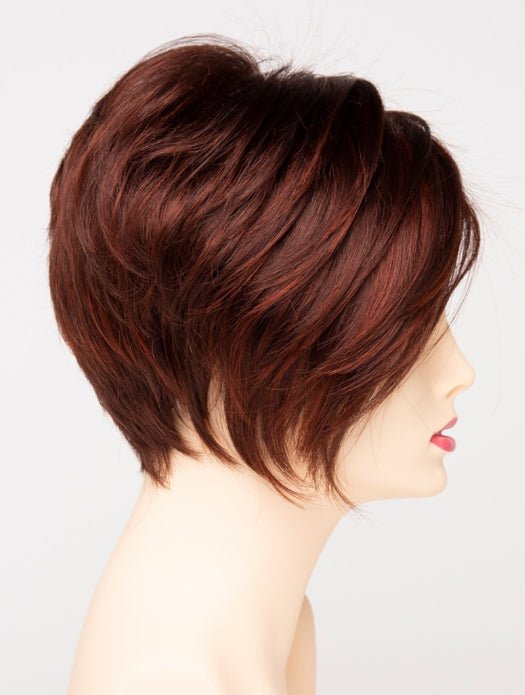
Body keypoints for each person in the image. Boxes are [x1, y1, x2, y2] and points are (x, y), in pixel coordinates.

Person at [47, 33, 481, 695]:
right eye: (408, 324)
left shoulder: (278, 629)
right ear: (245, 345)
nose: (460, 371)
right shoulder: (178, 681)